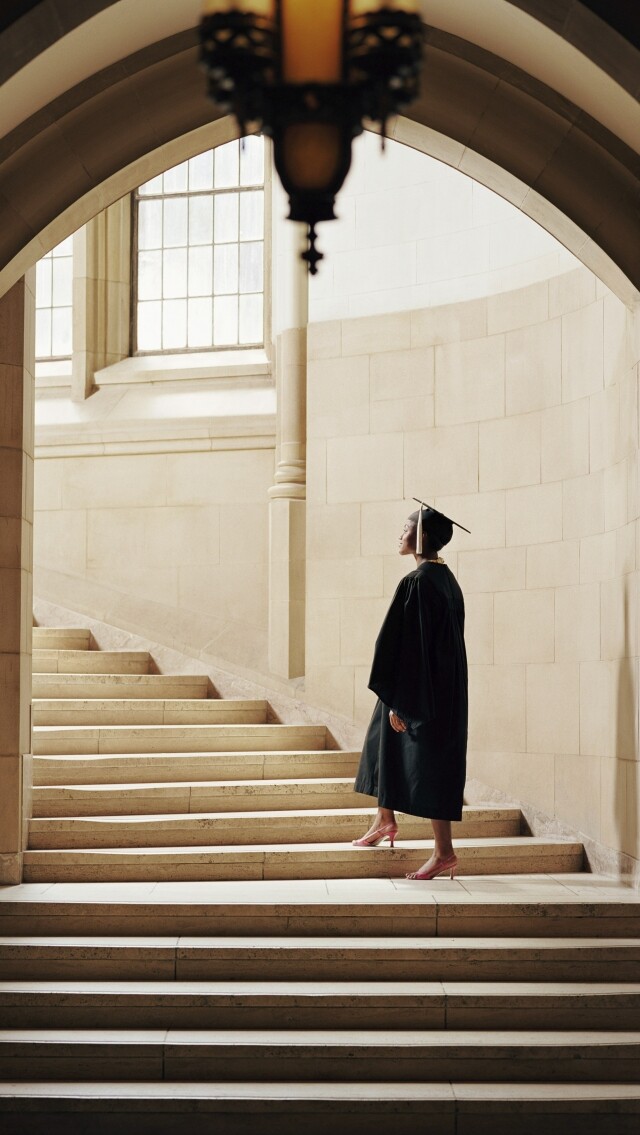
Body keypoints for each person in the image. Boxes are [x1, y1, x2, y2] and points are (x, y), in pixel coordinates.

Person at [352, 503, 468, 881]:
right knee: (380, 737)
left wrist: (402, 700)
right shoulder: (447, 581)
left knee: (432, 764)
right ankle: (384, 818)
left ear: (421, 537)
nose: (399, 534)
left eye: (405, 528)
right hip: (445, 687)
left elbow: (407, 647)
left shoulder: (417, 582)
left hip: (423, 689)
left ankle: (444, 853)